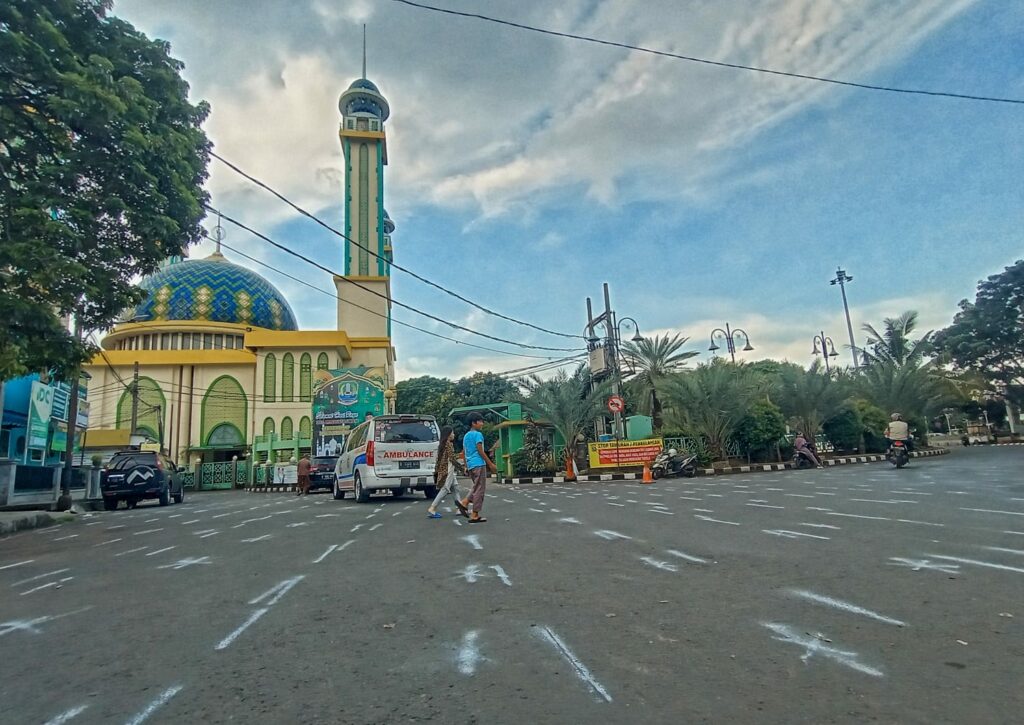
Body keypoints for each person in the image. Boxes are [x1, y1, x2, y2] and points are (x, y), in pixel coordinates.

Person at [460, 413, 497, 523]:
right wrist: (490, 464)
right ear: (473, 423)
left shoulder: (466, 436)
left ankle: (465, 502)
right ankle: (474, 513)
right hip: (479, 464)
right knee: (480, 489)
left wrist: (466, 466)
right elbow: (480, 450)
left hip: (471, 465)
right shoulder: (478, 435)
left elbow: (464, 452)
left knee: (476, 487)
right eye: (480, 421)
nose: (482, 423)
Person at [427, 427, 469, 519]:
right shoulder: (448, 444)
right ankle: (432, 508)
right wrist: (462, 469)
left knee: (455, 487)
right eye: (452, 433)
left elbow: (439, 459)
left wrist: (437, 470)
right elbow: (452, 459)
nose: (454, 435)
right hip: (448, 469)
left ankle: (459, 509)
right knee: (445, 489)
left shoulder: (442, 444)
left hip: (445, 468)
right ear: (448, 434)